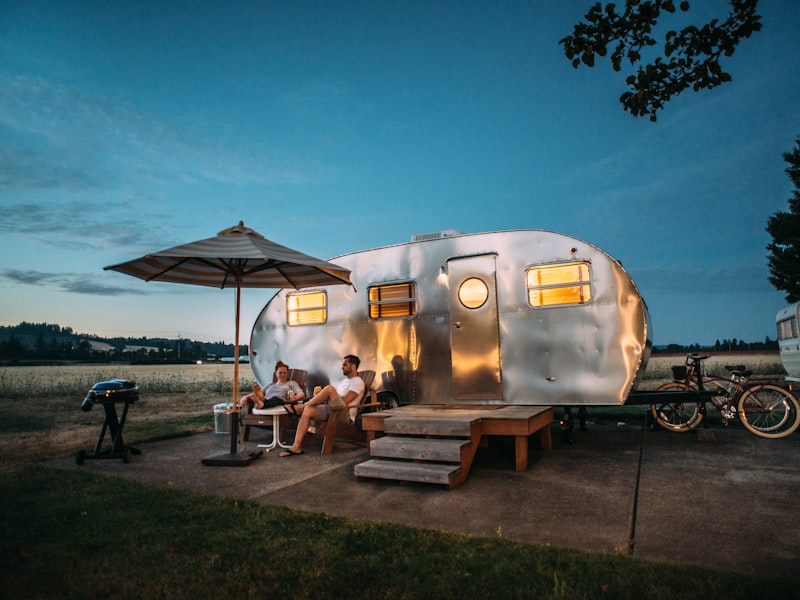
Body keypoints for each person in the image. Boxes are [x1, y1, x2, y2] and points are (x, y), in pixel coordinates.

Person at [279, 354, 364, 457]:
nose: (342, 367)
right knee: (308, 409)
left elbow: (345, 401)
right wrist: (319, 396)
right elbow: (334, 399)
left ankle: (300, 407)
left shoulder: (358, 382)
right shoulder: (344, 381)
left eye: (345, 365)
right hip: (332, 409)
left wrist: (326, 395)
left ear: (353, 366)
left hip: (344, 414)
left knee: (329, 389)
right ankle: (296, 447)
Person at [239, 361, 305, 412]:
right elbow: (257, 393)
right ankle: (262, 402)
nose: (282, 375)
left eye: (285, 373)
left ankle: (261, 403)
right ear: (276, 373)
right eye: (280, 373)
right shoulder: (271, 384)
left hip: (281, 403)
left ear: (287, 373)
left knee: (275, 399)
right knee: (261, 396)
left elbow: (301, 394)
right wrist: (246, 397)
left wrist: (295, 397)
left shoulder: (291, 383)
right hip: (268, 401)